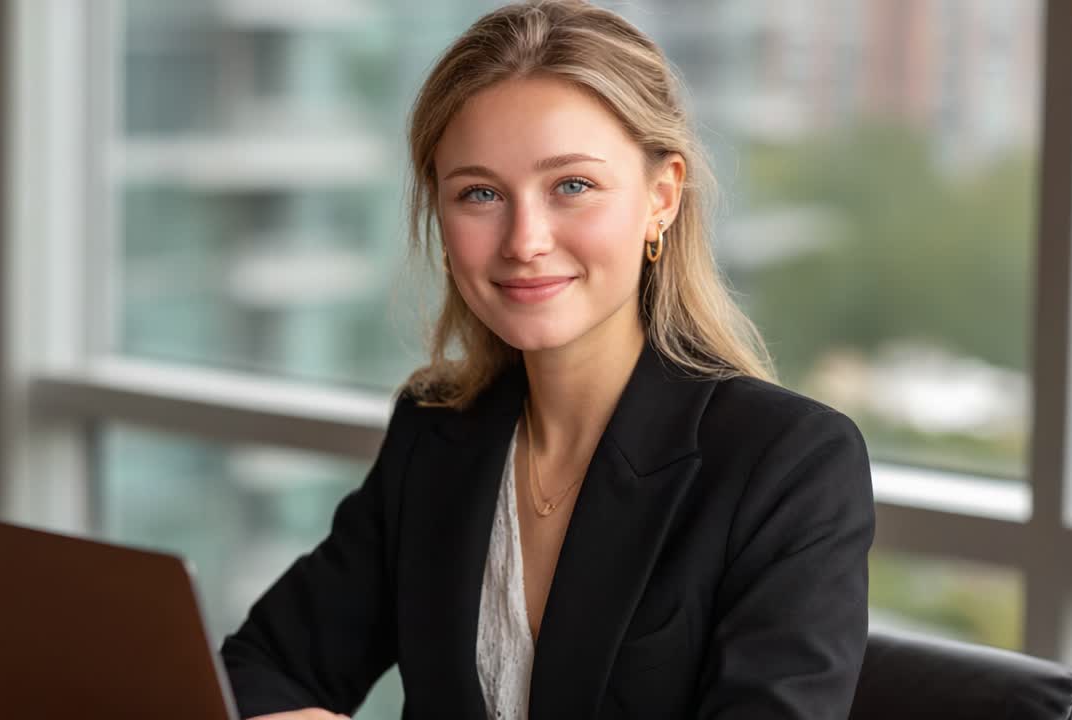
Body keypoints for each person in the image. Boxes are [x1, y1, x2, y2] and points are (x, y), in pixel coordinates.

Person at [220, 1, 875, 718]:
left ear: (661, 198)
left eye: (572, 186)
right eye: (479, 193)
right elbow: (264, 666)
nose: (524, 239)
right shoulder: (437, 434)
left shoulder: (788, 464)